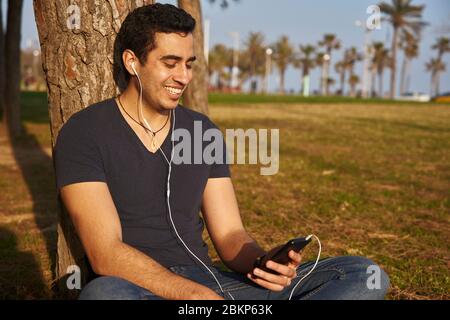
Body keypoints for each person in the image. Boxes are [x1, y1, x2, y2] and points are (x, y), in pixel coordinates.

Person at [54, 3, 389, 300]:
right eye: (170, 63)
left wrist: (263, 263)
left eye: (188, 63)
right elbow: (106, 254)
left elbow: (230, 235)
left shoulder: (202, 132)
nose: (183, 76)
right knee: (103, 294)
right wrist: (192, 295)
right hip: (139, 287)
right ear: (132, 61)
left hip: (214, 284)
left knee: (362, 276)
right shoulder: (85, 132)